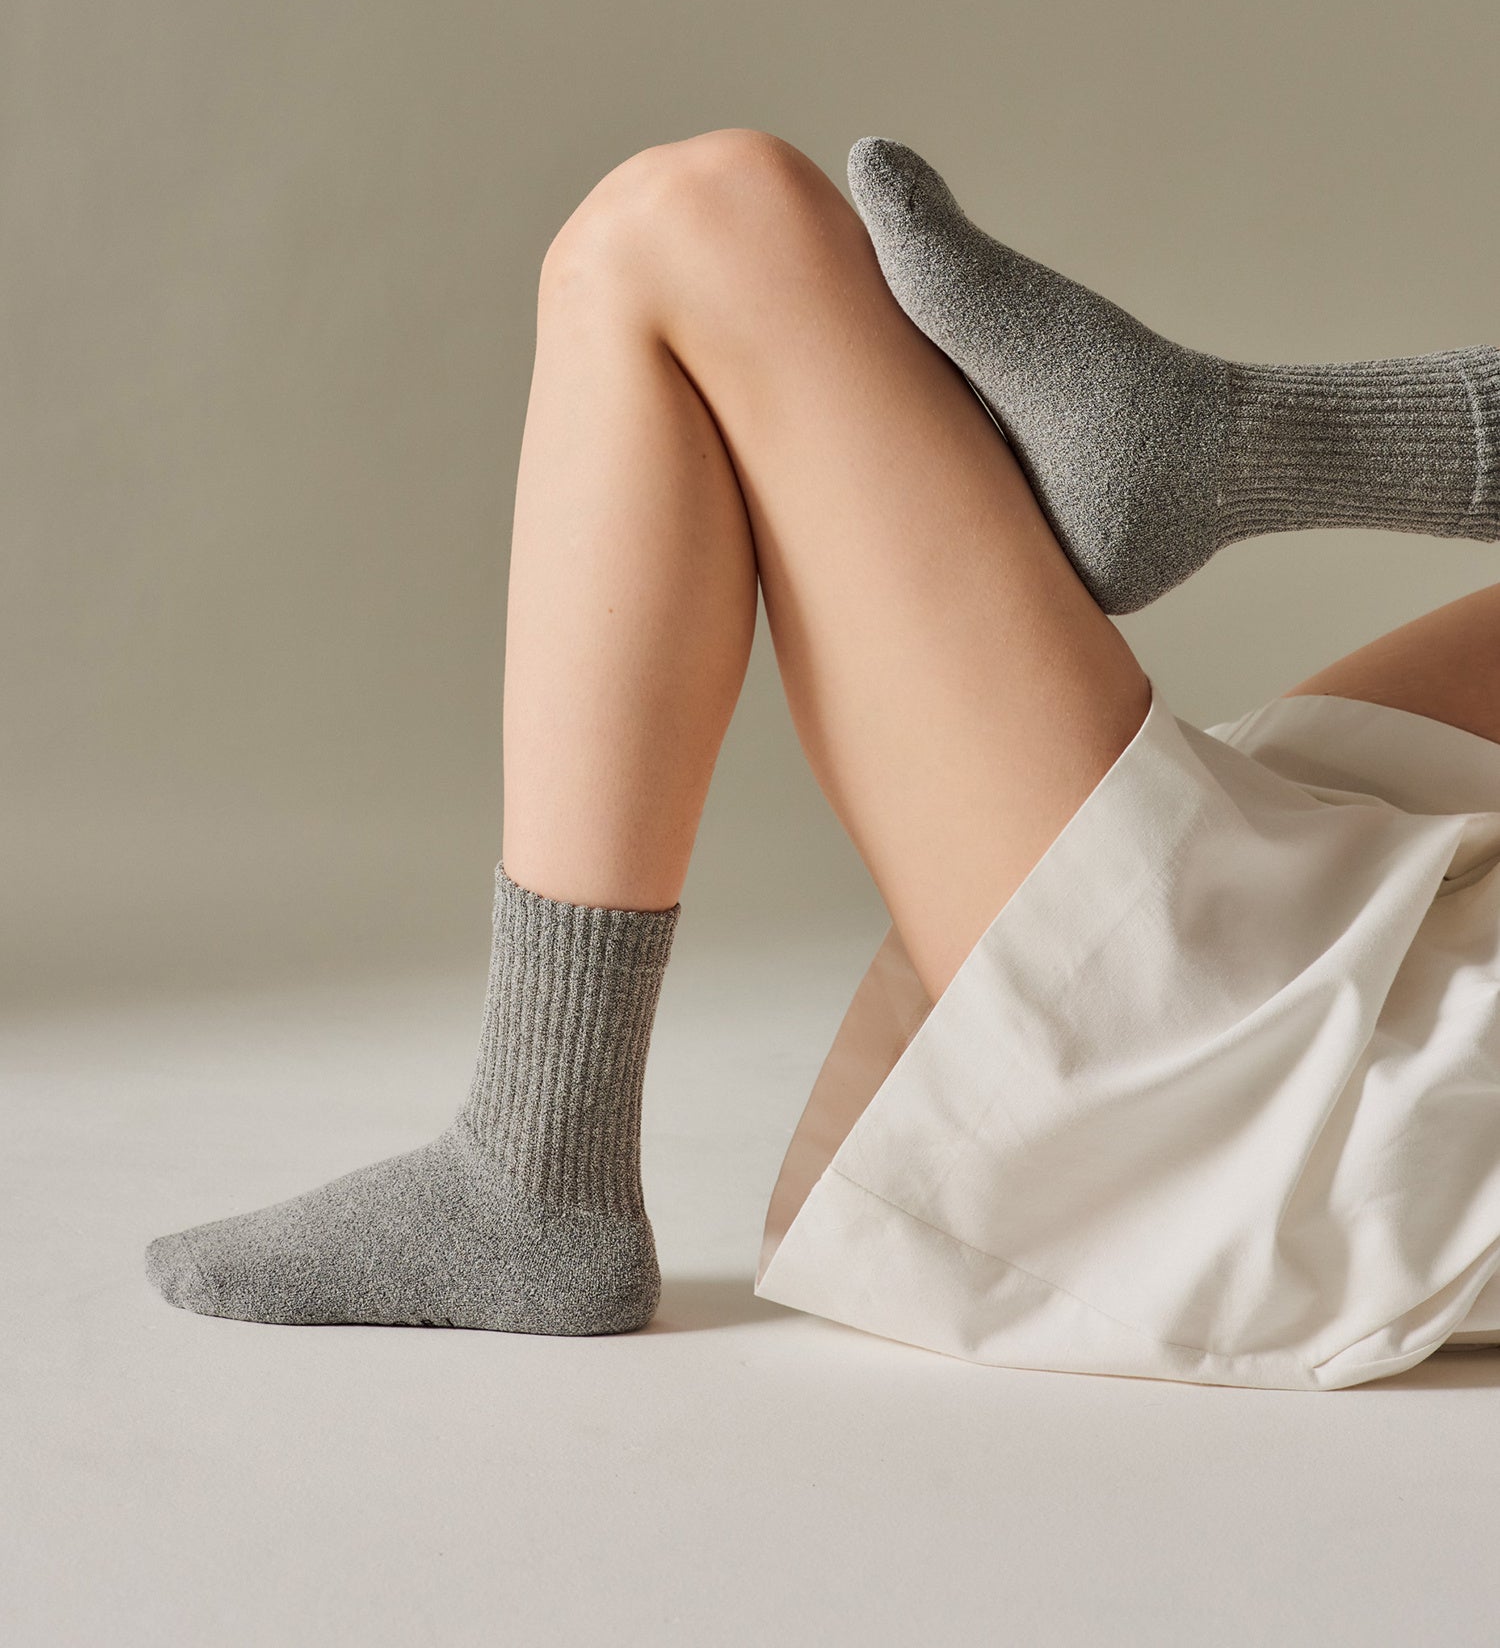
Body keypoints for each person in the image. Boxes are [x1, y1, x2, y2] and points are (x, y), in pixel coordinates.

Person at [145, 130, 1500, 1389]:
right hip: (1403, 913)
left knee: (692, 226)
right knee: (699, 219)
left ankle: (534, 1161)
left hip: (1329, 1094)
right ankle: (1222, 442)